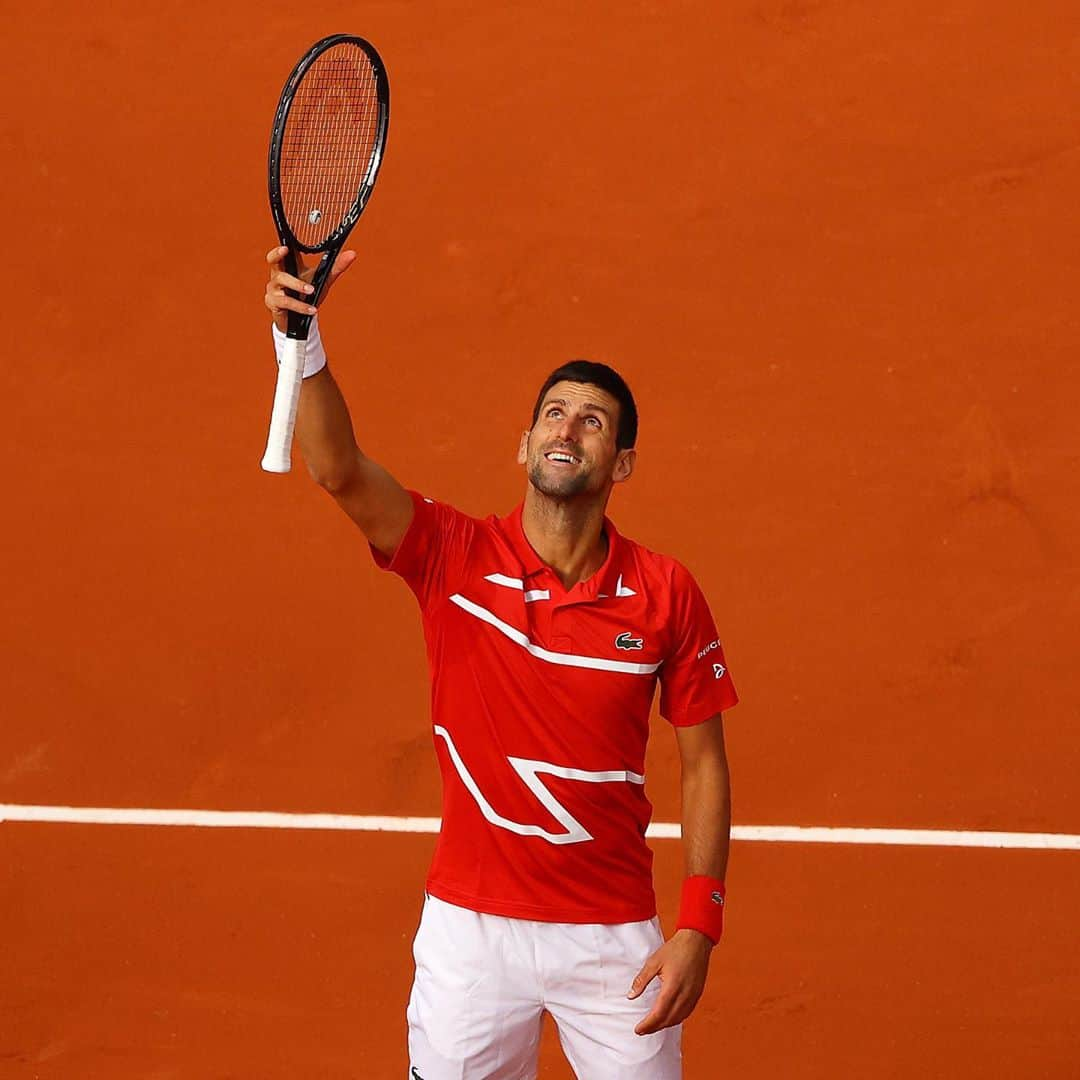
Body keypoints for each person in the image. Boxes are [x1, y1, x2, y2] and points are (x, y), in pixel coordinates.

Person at [263, 245, 738, 1080]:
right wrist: (302, 344)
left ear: (620, 463)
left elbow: (703, 760)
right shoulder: (451, 553)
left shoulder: (666, 594)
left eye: (593, 420)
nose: (568, 428)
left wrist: (698, 922)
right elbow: (338, 470)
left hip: (613, 936)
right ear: (523, 445)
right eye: (554, 413)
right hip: (471, 930)